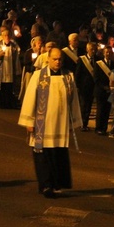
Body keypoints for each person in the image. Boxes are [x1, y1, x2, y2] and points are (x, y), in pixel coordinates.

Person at [18, 47, 82, 198]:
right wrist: (29, 120)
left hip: (60, 123)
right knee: (42, 154)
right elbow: (30, 98)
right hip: (42, 124)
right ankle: (45, 185)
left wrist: (73, 123)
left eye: (60, 59)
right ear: (48, 59)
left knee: (58, 154)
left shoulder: (68, 77)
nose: (57, 61)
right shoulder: (39, 76)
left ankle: (56, 184)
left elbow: (74, 101)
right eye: (54, 59)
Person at [0, 27, 21, 109]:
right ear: (2, 36)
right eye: (5, 35)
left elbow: (17, 56)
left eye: (8, 35)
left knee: (8, 86)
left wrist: (17, 69)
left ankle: (7, 104)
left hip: (9, 69)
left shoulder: (14, 45)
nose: (7, 37)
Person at [93, 46, 114, 135]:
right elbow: (96, 78)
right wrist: (104, 87)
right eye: (107, 52)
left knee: (107, 110)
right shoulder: (98, 64)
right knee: (100, 110)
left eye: (110, 52)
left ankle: (104, 128)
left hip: (110, 91)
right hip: (100, 91)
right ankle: (98, 128)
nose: (108, 54)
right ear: (103, 53)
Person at [74, 42, 97, 131]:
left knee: (89, 106)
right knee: (83, 105)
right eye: (91, 49)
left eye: (94, 49)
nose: (93, 51)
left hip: (92, 86)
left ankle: (85, 123)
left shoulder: (97, 59)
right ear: (87, 50)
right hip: (83, 86)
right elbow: (78, 73)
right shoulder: (82, 59)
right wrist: (77, 85)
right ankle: (82, 123)